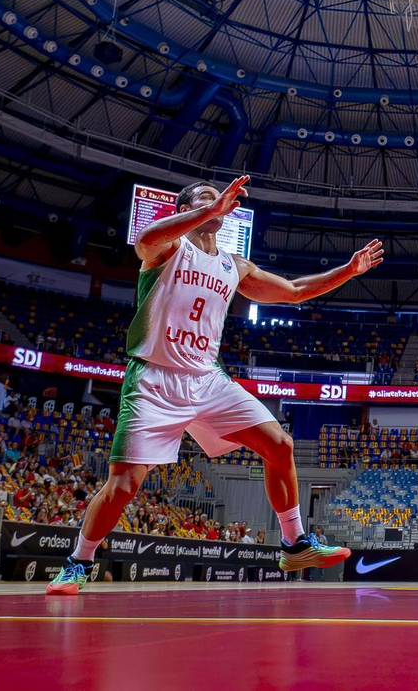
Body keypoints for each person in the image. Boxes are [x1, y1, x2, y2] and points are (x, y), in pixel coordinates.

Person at [45, 176, 383, 595]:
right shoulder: (170, 248)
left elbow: (294, 291)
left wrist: (348, 271)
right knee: (124, 486)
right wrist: (209, 208)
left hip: (207, 378)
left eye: (219, 200)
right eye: (205, 199)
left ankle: (294, 543)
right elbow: (145, 241)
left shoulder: (233, 264)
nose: (218, 203)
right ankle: (78, 562)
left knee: (280, 444)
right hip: (154, 377)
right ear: (186, 209)